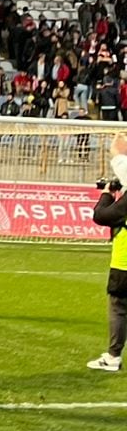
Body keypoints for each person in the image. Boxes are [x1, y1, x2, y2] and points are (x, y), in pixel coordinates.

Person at [87, 135, 127, 373]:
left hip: (124, 262)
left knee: (118, 306)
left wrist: (106, 193)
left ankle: (113, 356)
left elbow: (101, 216)